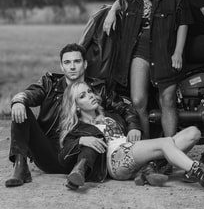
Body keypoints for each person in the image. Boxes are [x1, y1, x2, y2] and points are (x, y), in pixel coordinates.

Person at [5, 43, 140, 188]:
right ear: (62, 66)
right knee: (21, 107)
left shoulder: (98, 89)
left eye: (77, 61)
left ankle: (79, 172)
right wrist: (19, 101)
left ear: (85, 64)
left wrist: (133, 126)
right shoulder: (50, 83)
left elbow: (124, 107)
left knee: (93, 136)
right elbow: (31, 93)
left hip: (81, 152)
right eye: (67, 62)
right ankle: (20, 166)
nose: (72, 67)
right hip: (50, 151)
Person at [58, 81, 204, 193]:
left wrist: (132, 128)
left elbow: (130, 116)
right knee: (166, 143)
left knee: (193, 132)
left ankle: (148, 171)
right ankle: (198, 172)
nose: (90, 95)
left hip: (133, 150)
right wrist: (80, 140)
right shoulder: (78, 129)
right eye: (82, 96)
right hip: (116, 159)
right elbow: (62, 155)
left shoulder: (110, 115)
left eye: (89, 91)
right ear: (76, 107)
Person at [103, 0, 192, 140]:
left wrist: (177, 52)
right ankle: (147, 150)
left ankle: (170, 152)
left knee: (167, 100)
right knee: (138, 101)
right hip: (139, 51)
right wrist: (111, 12)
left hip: (165, 50)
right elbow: (121, 0)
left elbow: (183, 22)